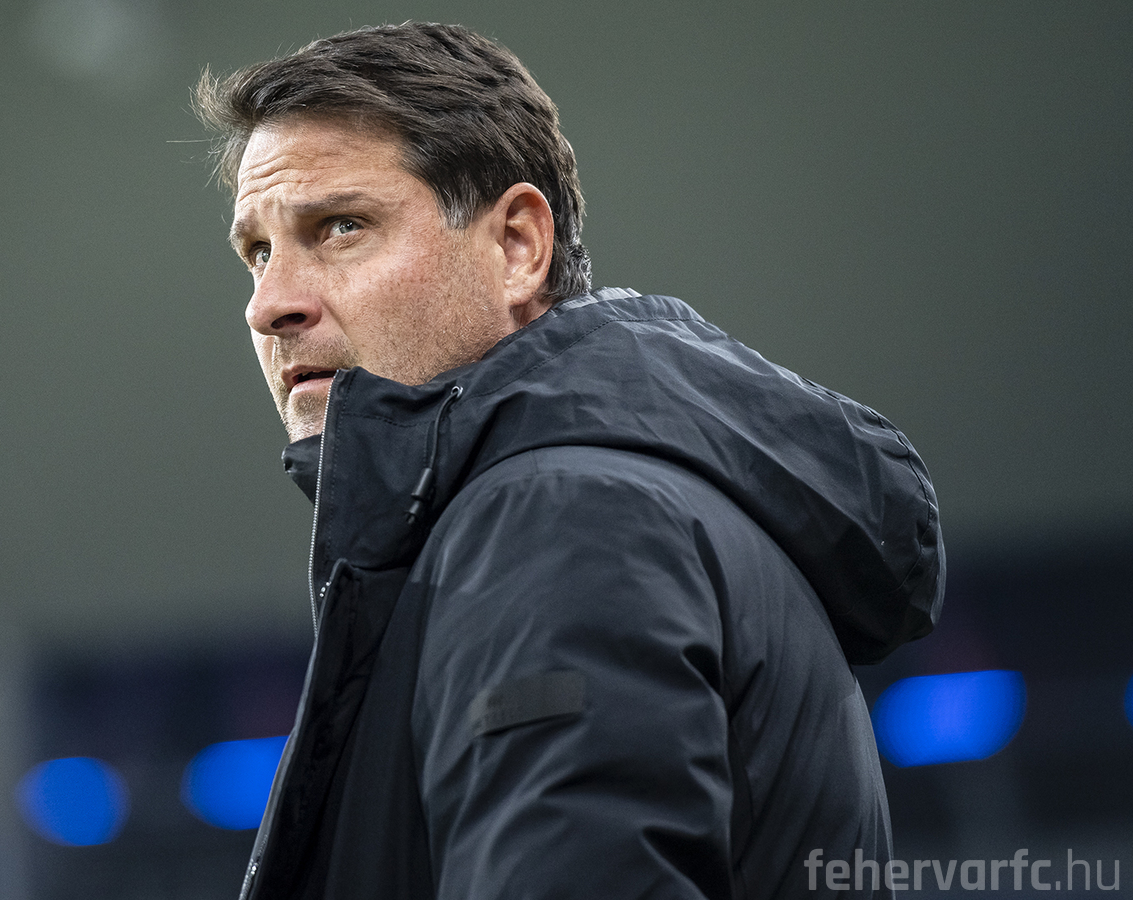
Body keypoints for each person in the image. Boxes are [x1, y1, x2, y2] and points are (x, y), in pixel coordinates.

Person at [194, 22, 943, 900]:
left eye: (341, 226)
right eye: (258, 252)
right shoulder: (588, 499)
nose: (268, 304)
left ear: (518, 246)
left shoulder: (564, 517)